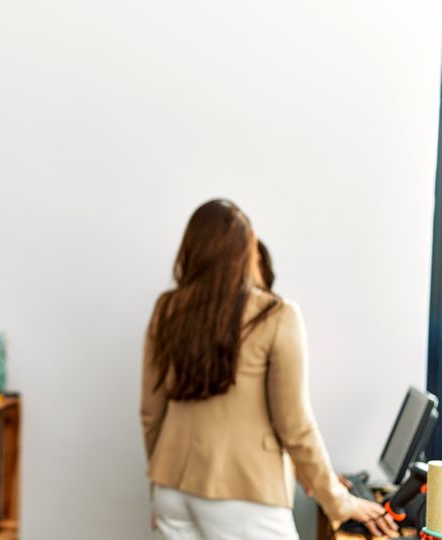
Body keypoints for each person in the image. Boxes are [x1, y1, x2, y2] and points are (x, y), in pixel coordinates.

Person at [140, 199, 395, 538]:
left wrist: (161, 477)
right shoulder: (276, 315)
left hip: (171, 488)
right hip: (242, 494)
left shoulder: (166, 309)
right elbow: (294, 425)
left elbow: (150, 413)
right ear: (247, 253)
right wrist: (340, 502)